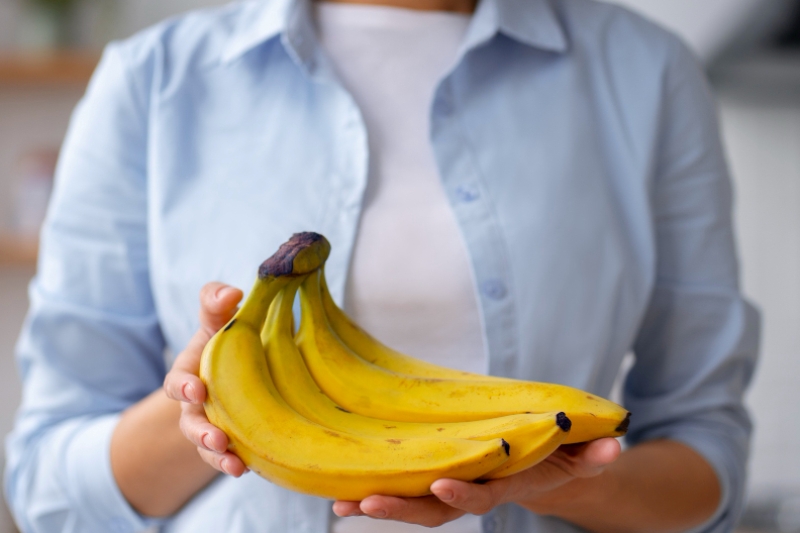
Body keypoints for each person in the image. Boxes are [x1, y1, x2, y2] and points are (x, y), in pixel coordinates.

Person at [4, 0, 759, 531]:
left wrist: (561, 485)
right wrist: (208, 405)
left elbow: (706, 460)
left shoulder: (647, 73)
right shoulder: (153, 80)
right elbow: (50, 488)